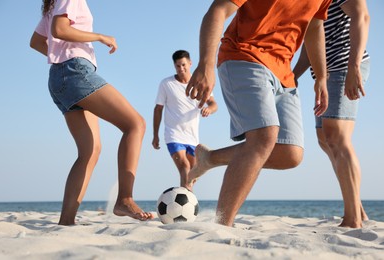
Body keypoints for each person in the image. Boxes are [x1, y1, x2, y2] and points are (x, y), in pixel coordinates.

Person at [184, 0, 332, 226]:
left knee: (290, 154)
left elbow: (314, 26)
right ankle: (223, 226)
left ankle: (210, 158)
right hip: (244, 55)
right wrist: (206, 65)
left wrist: (321, 76)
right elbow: (218, 10)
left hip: (283, 72)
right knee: (264, 136)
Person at [30, 0, 153, 225]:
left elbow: (37, 42)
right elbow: (60, 30)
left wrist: (58, 55)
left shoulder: (52, 4)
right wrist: (99, 37)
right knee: (135, 124)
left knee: (90, 151)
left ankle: (66, 221)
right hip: (75, 72)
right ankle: (124, 199)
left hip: (59, 78)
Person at [293, 0, 370, 228]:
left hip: (345, 65)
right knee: (325, 140)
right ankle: (358, 209)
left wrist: (353, 66)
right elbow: (311, 43)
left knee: (337, 137)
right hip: (324, 75)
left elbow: (361, 15)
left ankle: (353, 218)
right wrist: (294, 75)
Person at [153, 50, 218, 187]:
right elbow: (158, 109)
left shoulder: (200, 83)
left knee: (193, 174)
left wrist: (209, 109)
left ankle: (187, 201)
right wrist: (155, 135)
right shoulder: (166, 84)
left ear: (190, 63)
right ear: (174, 66)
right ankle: (184, 206)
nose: (181, 69)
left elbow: (214, 104)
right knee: (184, 167)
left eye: (183, 65)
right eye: (178, 66)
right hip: (173, 134)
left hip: (193, 137)